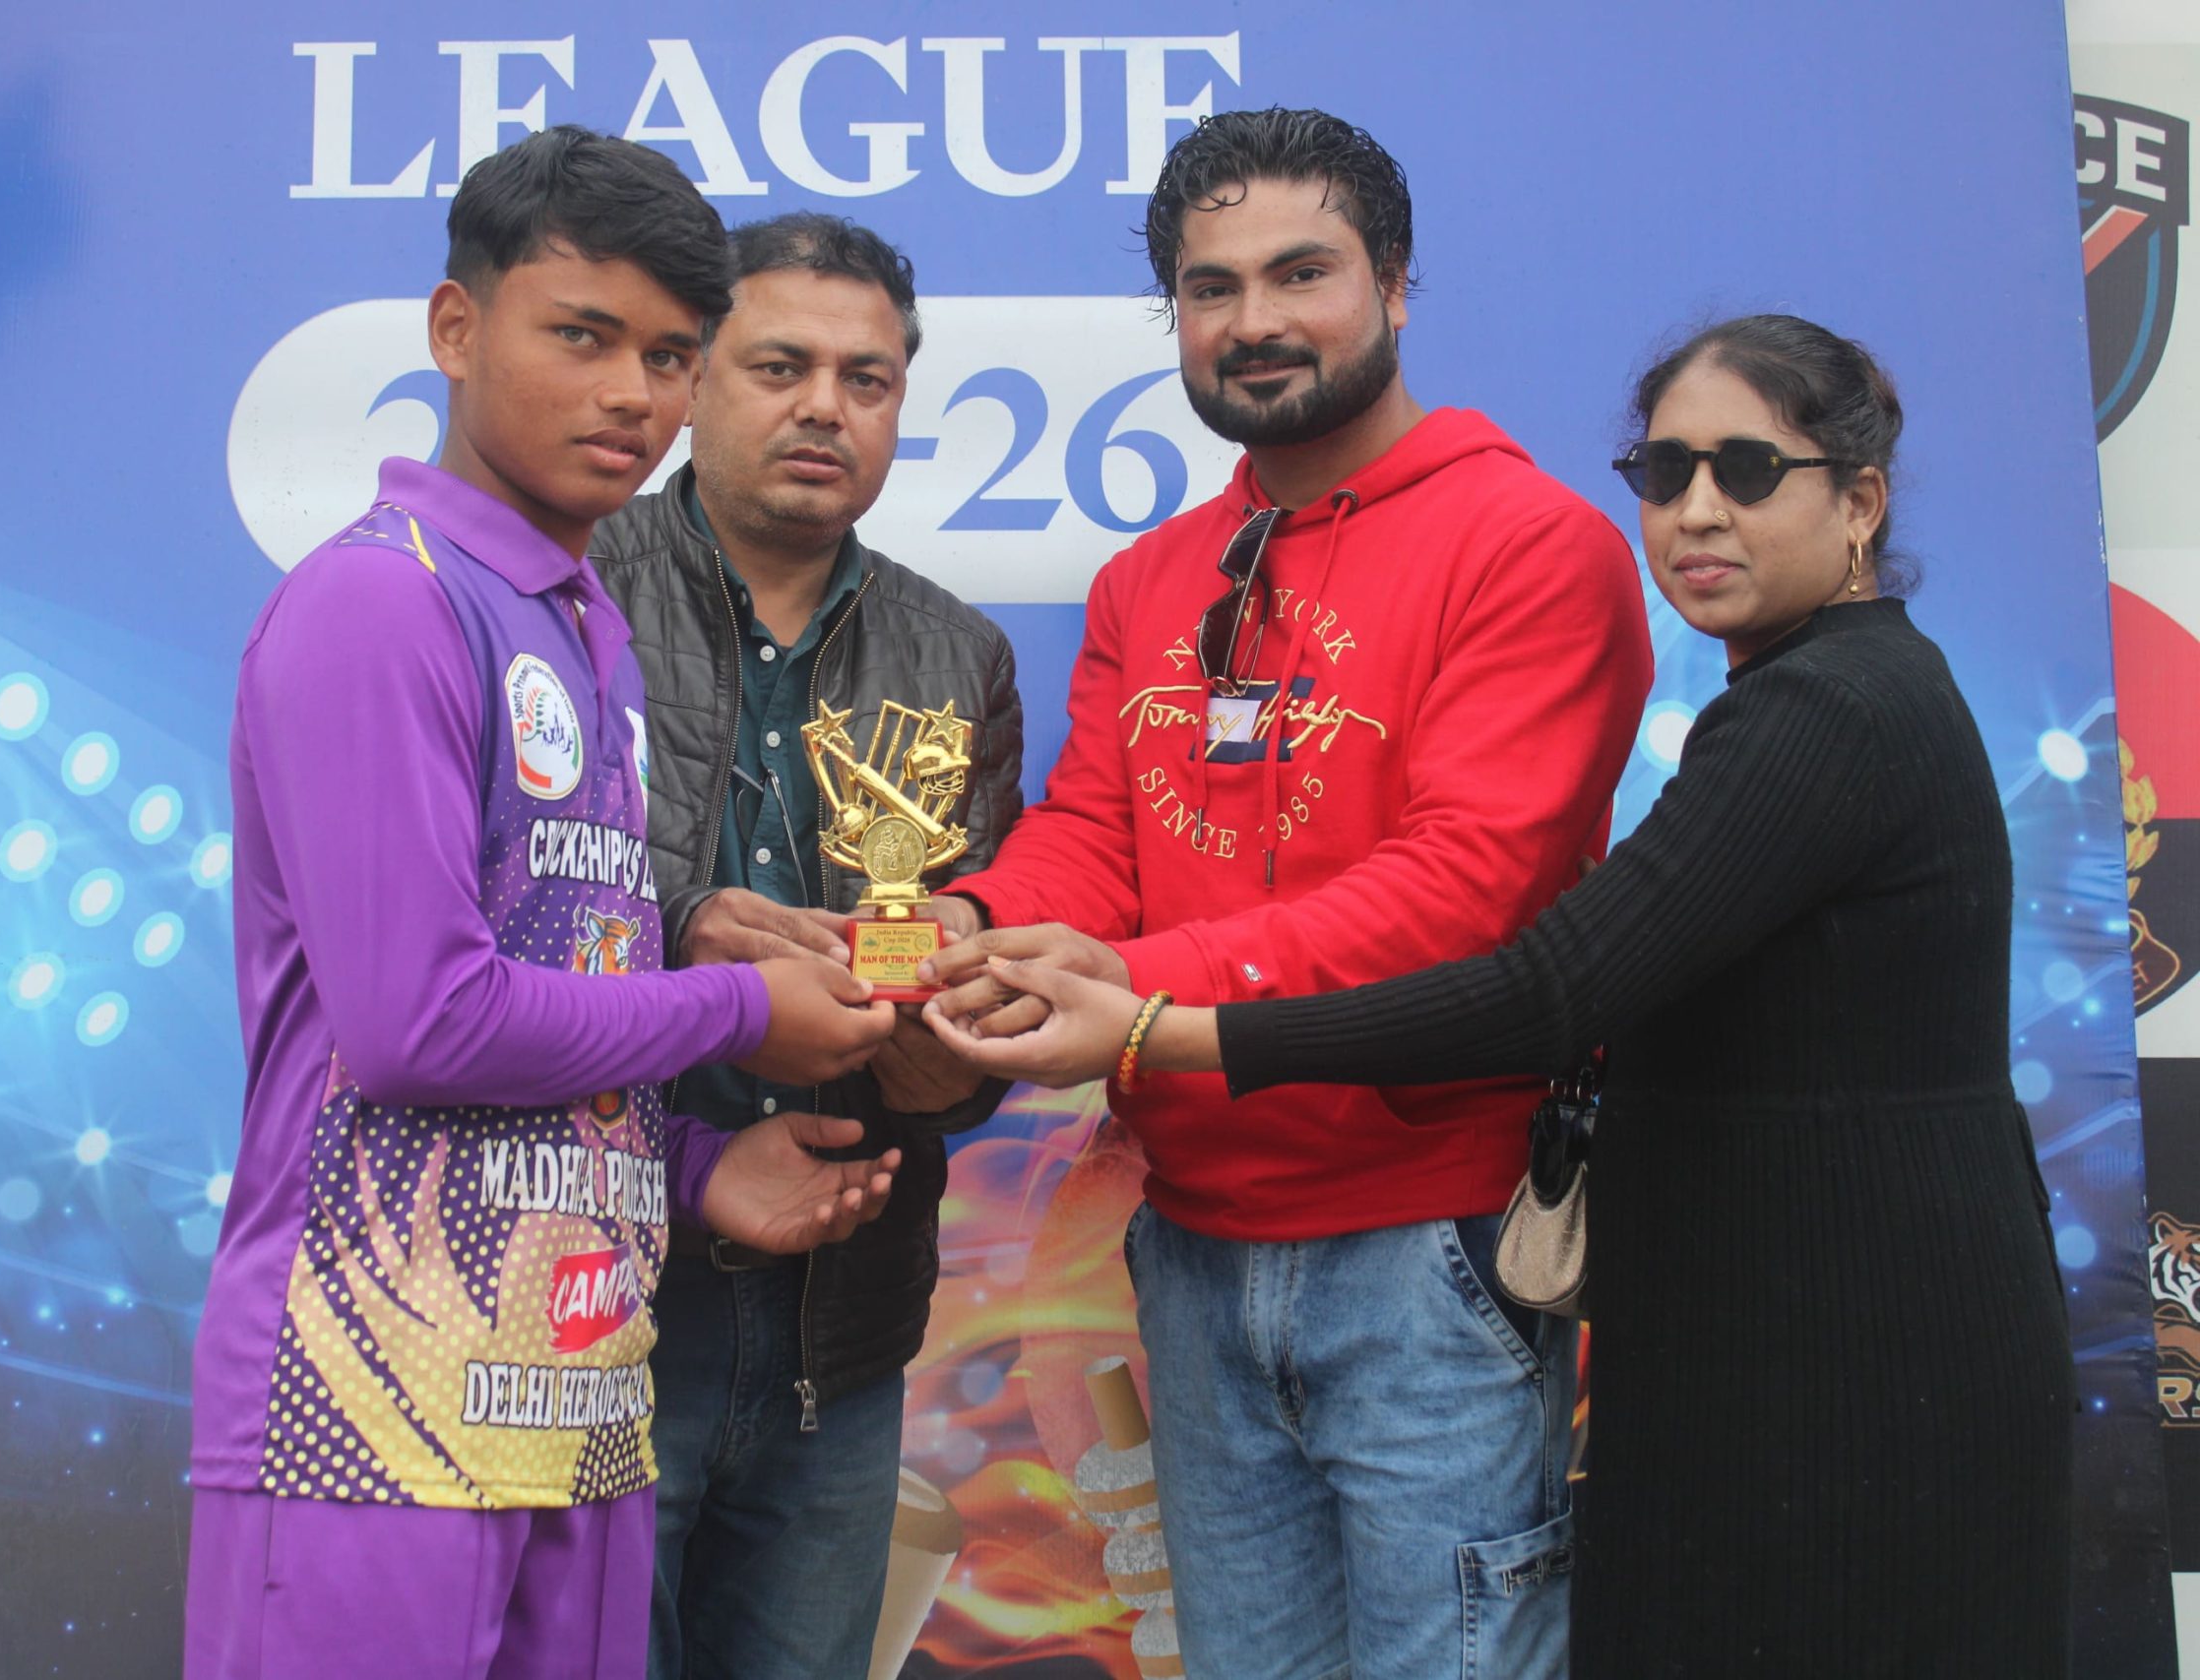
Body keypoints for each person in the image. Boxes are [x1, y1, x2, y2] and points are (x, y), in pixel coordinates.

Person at [928, 314, 2076, 1678]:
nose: (1697, 511)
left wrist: (1164, 1029)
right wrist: (983, 921)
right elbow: (1099, 830)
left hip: (1849, 1355)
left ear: (1862, 501)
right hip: (1777, 1326)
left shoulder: (1828, 707)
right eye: (1666, 472)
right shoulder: (1807, 692)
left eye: (1751, 471)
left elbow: (1546, 988)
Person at [918, 109, 1653, 1679]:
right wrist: (975, 927)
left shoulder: (1533, 544)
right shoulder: (1151, 577)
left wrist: (1129, 999)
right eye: (1211, 287)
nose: (1254, 320)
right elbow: (1095, 832)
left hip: (1433, 1252)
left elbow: (1466, 896)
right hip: (1188, 1241)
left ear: (1395, 282)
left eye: (1301, 272)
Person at [186, 130, 907, 1680]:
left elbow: (552, 984)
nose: (631, 394)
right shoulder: (381, 600)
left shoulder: (583, 632)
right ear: (456, 329)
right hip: (362, 1395)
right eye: (581, 336)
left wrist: (694, 1165)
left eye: (668, 354)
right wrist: (741, 1009)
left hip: (574, 1400)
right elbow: (418, 1025)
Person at [589, 213, 1022, 1680]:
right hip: (591, 1295)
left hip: (842, 1328)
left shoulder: (958, 655)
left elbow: (970, 1008)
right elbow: (475, 927)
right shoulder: (563, 592)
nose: (825, 407)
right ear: (691, 377)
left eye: (866, 379)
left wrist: (944, 1055)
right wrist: (688, 944)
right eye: (780, 366)